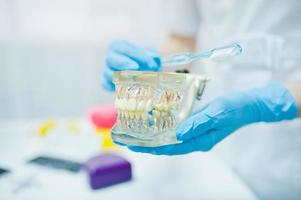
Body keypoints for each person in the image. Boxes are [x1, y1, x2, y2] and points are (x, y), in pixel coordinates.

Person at [102, 0, 301, 199]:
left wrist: (263, 105)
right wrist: (151, 74)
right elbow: (183, 37)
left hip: (288, 155)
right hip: (215, 141)